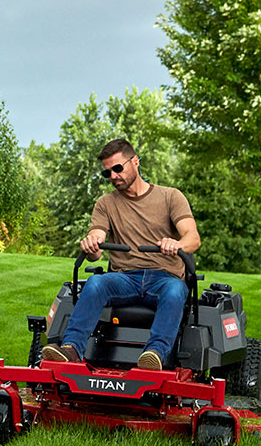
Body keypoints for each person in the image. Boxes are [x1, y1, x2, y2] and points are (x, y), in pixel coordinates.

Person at [41, 138, 201, 370]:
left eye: (118, 168)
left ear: (135, 162)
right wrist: (92, 244)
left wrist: (175, 244)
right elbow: (97, 240)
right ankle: (71, 349)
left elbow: (192, 238)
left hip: (164, 278)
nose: (114, 176)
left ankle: (154, 354)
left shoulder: (170, 197)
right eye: (107, 173)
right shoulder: (105, 203)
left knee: (176, 289)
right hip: (124, 278)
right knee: (95, 283)